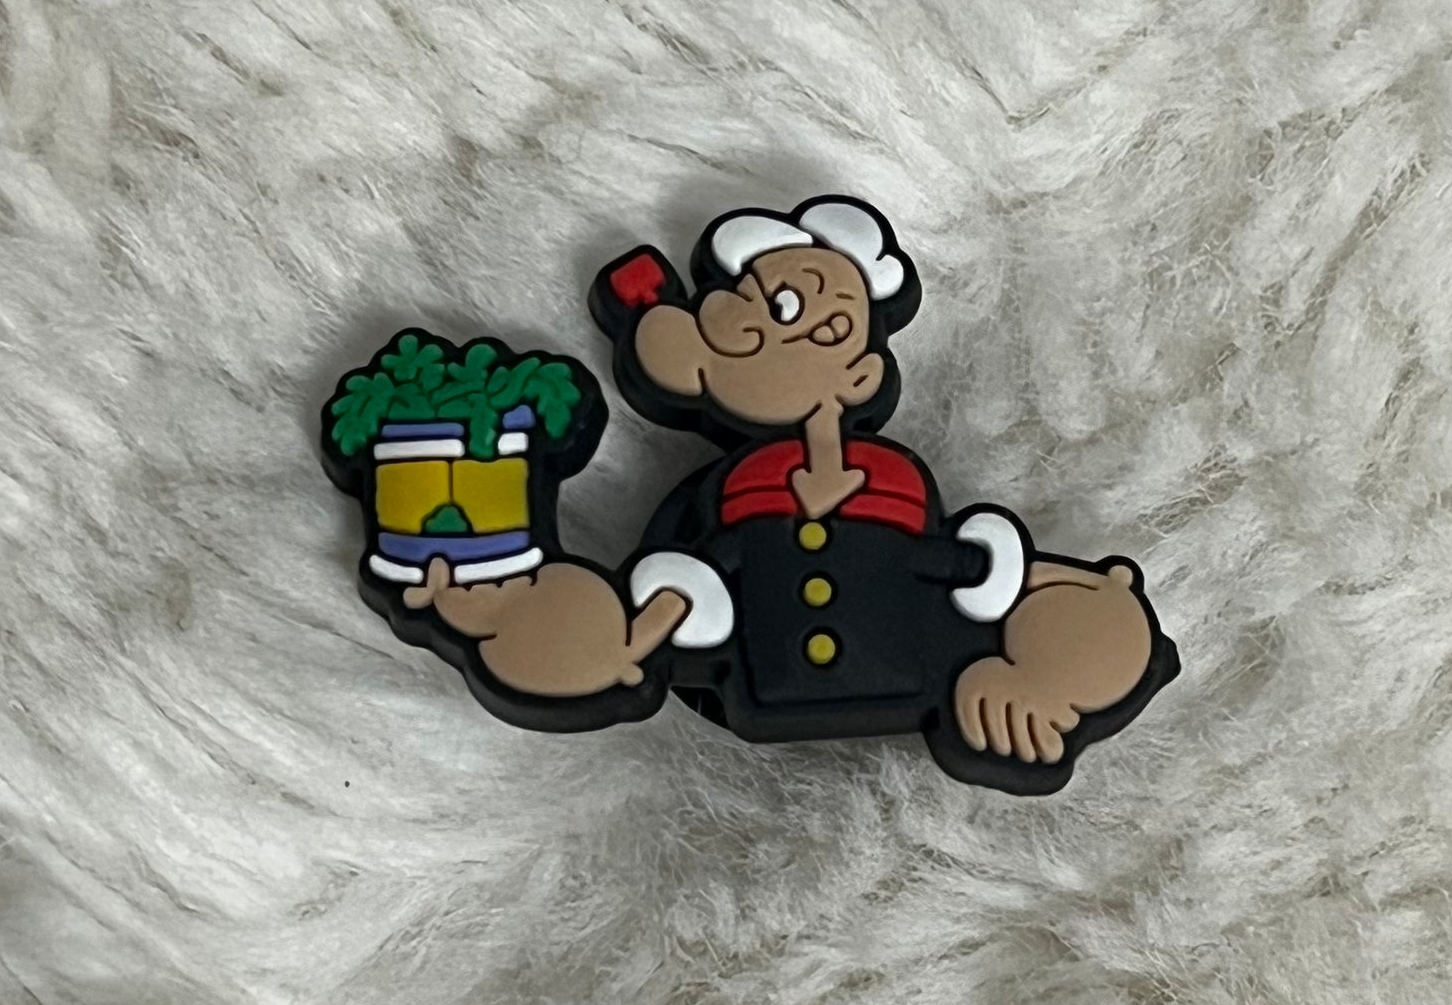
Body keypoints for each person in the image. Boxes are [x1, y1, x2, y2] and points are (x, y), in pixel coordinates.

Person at [402, 197, 1177, 793]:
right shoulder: (722, 506)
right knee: (598, 639)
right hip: (758, 666)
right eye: (747, 300)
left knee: (1095, 615)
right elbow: (680, 595)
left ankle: (1046, 686)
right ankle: (496, 611)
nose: (742, 322)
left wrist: (1035, 647)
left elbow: (988, 574)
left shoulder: (908, 495)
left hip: (908, 661)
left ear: (863, 374)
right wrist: (619, 636)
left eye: (791, 312)